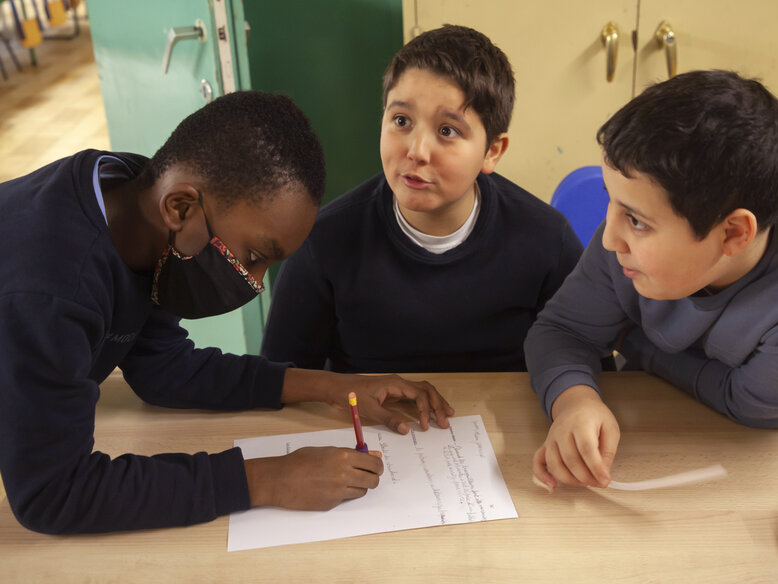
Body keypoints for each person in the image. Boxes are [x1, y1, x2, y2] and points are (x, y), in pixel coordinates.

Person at [0, 91, 453, 535]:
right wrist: (264, 479)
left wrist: (335, 387)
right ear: (180, 207)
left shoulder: (133, 199)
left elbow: (163, 369)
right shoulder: (51, 290)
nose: (255, 282)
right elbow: (54, 493)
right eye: (254, 255)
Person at [526, 70, 778, 491]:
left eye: (636, 220)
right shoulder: (635, 231)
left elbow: (750, 402)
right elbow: (562, 329)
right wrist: (574, 400)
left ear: (734, 234)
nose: (609, 237)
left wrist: (632, 341)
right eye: (612, 203)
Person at [260, 25, 583, 373]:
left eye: (447, 131)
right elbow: (282, 379)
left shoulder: (546, 239)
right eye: (401, 120)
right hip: (368, 423)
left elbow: (584, 367)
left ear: (492, 151)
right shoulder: (323, 242)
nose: (416, 151)